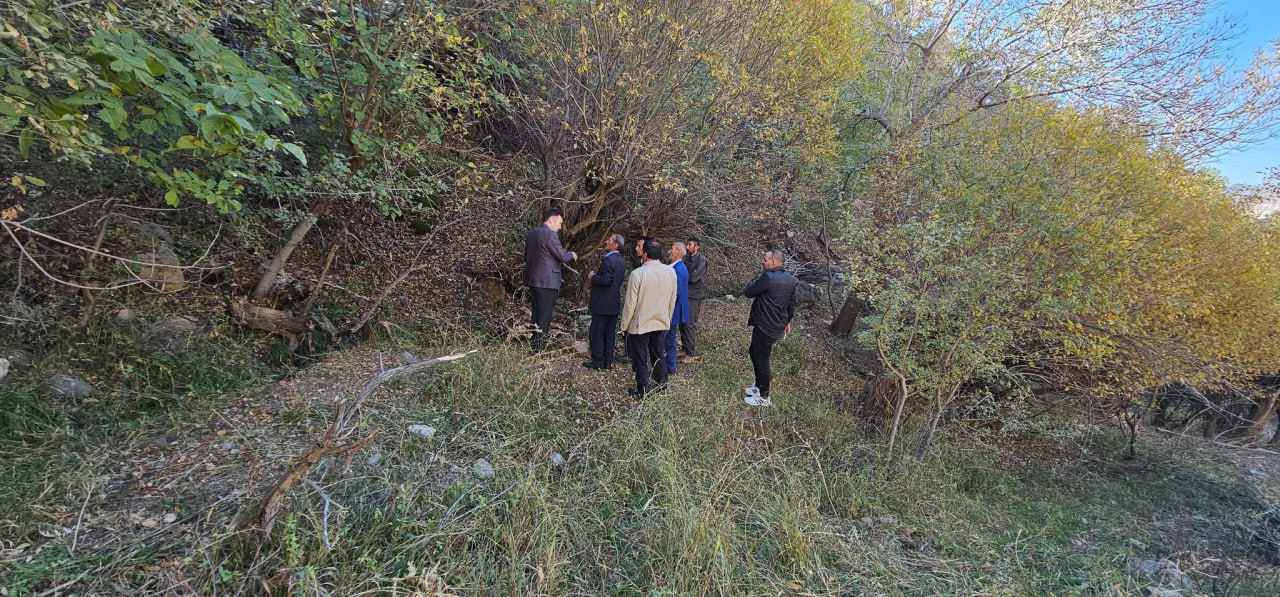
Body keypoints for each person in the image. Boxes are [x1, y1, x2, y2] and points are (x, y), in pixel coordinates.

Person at [619, 240, 676, 398]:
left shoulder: (638, 274)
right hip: (661, 320)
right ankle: (662, 384)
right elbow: (672, 300)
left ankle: (643, 390)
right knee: (658, 354)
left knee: (640, 358)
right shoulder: (670, 272)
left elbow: (630, 304)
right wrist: (668, 318)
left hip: (641, 323)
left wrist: (624, 325)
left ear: (645, 254)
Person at [742, 249, 796, 407]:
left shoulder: (768, 278)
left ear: (773, 263)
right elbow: (791, 304)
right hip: (774, 324)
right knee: (754, 352)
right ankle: (759, 386)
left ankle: (764, 397)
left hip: (766, 326)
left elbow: (749, 292)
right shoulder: (790, 279)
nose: (762, 261)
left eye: (765, 259)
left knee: (762, 359)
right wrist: (787, 321)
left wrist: (786, 321)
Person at [522, 207, 577, 349]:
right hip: (547, 282)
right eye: (559, 223)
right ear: (552, 219)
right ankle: (538, 349)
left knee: (536, 314)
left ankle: (533, 344)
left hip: (533, 280)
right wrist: (572, 254)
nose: (560, 227)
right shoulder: (550, 235)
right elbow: (562, 256)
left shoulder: (532, 234)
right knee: (544, 317)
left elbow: (526, 257)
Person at [584, 234, 626, 370]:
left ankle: (598, 362)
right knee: (609, 334)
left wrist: (593, 277)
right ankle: (608, 361)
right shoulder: (621, 261)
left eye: (609, 240)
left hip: (602, 303)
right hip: (614, 303)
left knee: (597, 333)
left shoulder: (609, 260)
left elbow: (606, 280)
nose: (606, 241)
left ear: (615, 245)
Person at [663, 242, 691, 375]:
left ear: (679, 252)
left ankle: (667, 365)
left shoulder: (677, 269)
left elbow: (677, 292)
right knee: (670, 337)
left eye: (671, 249)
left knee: (667, 337)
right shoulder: (679, 267)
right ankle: (670, 365)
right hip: (674, 310)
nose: (669, 252)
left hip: (672, 310)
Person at [681, 236, 707, 362]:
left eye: (690, 245)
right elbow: (683, 274)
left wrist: (687, 275)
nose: (687, 247)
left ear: (697, 247)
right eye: (687, 244)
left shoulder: (702, 260)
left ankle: (690, 353)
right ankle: (684, 348)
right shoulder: (686, 258)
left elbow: (694, 278)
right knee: (682, 322)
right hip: (685, 293)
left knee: (689, 323)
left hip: (694, 295)